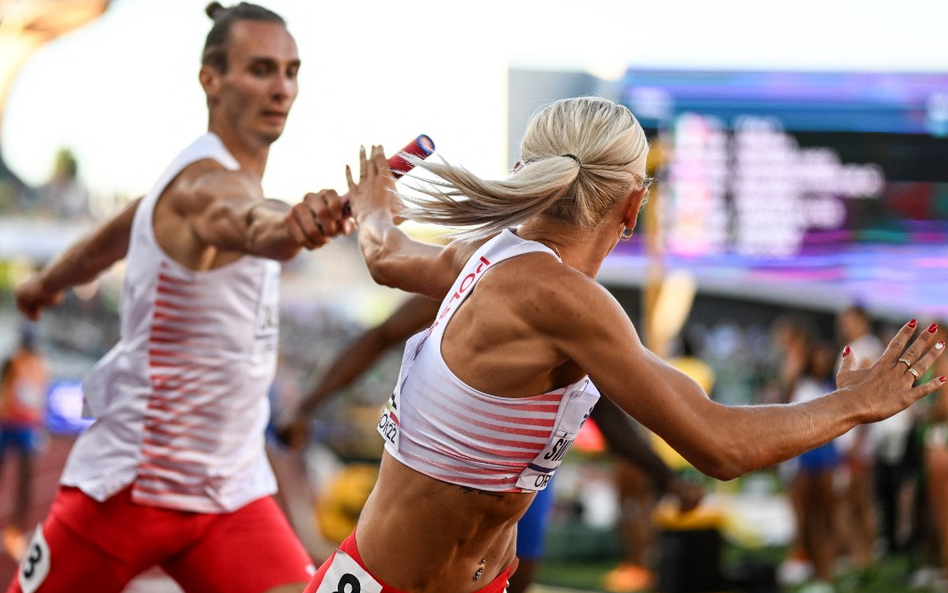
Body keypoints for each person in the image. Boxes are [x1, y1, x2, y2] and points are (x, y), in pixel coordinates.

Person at [298, 96, 945, 593]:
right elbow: (719, 444)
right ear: (632, 207)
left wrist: (375, 205)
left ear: (530, 175)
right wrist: (860, 404)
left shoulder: (486, 256)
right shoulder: (565, 300)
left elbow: (385, 255)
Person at [7, 3, 350, 593]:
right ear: (209, 79)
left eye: (291, 71)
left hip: (228, 493)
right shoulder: (206, 189)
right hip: (134, 488)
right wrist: (292, 226)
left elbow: (111, 236)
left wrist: (47, 283)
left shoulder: (179, 181)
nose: (282, 88)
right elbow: (250, 222)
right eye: (261, 69)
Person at [277, 293, 703, 593]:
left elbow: (606, 414)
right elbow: (379, 334)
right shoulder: (464, 281)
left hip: (518, 491)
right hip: (438, 479)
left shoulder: (573, 307)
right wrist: (308, 407)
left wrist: (665, 478)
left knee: (514, 576)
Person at [0, 325, 49, 562]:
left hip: (27, 428)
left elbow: (41, 396)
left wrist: (41, 427)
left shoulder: (41, 365)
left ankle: (15, 532)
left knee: (25, 482)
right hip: (6, 423)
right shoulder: (12, 361)